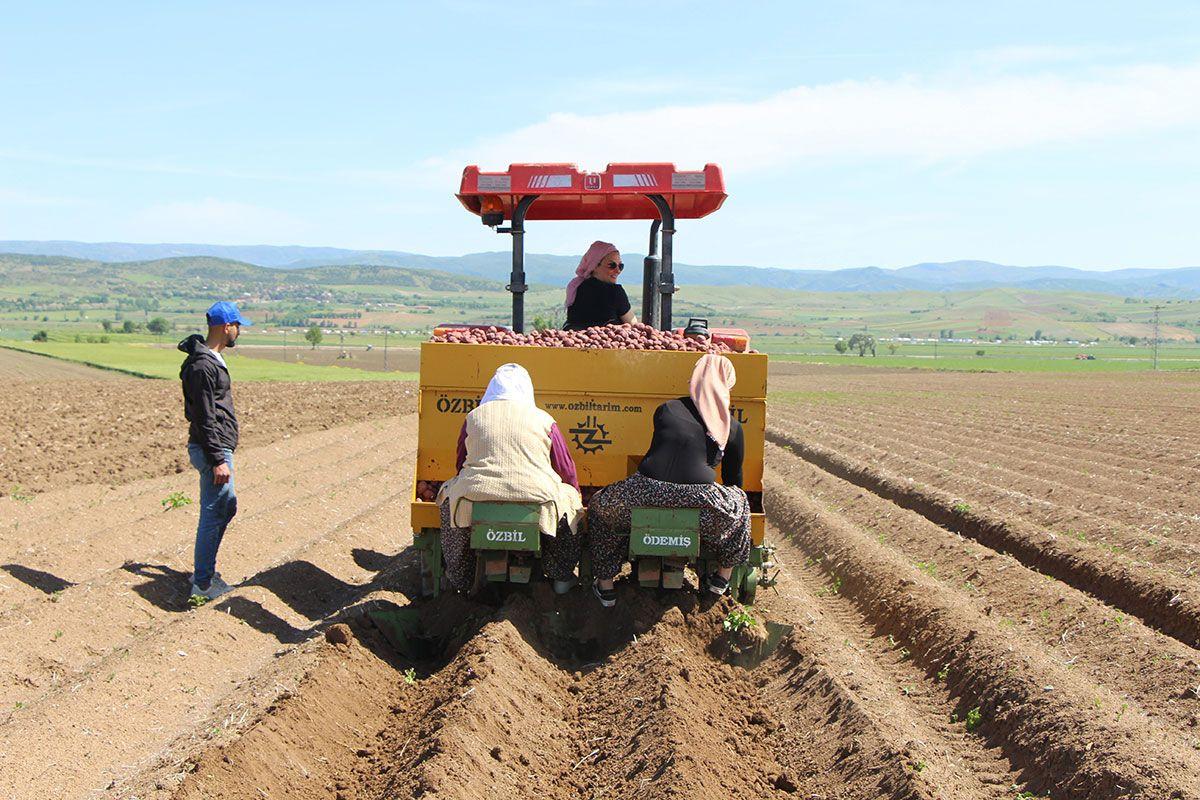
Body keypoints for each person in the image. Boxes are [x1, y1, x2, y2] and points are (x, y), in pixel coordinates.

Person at [587, 354, 749, 607]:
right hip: (700, 502)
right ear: (727, 384)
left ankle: (605, 584)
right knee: (741, 502)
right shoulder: (732, 427)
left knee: (599, 506)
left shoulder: (667, 409)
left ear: (693, 381)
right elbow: (733, 480)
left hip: (644, 493)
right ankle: (722, 576)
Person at [435, 363, 585, 593]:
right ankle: (561, 576)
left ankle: (459, 577)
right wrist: (574, 493)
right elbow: (565, 466)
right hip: (535, 493)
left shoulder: (474, 416)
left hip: (477, 492)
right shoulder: (544, 419)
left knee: (449, 506)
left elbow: (461, 461)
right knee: (570, 508)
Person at [178, 301, 252, 604]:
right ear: (226, 327)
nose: (239, 332)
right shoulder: (202, 365)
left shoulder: (211, 359)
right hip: (213, 449)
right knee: (213, 512)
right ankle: (203, 583)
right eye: (238, 326)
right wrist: (218, 459)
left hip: (218, 446)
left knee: (226, 506)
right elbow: (205, 416)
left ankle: (205, 571)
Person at [564, 240, 637, 330]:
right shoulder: (614, 292)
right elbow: (634, 325)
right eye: (612, 265)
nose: (618, 270)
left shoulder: (576, 288)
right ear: (594, 266)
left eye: (620, 266)